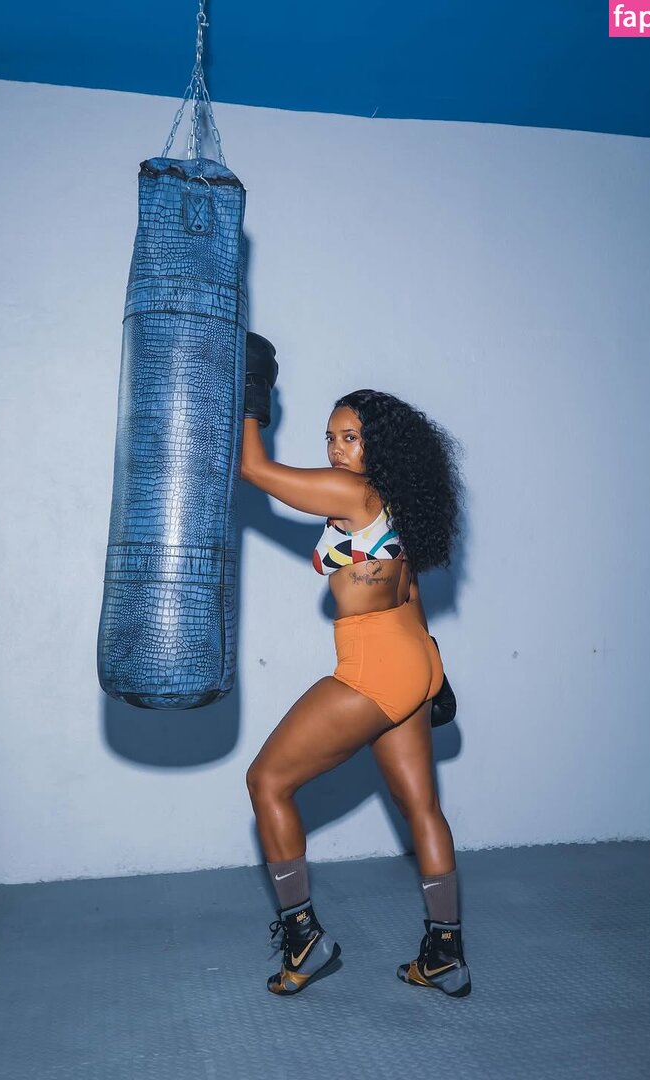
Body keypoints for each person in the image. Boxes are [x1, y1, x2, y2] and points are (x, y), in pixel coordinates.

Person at [240, 332, 470, 998]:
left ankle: (304, 939)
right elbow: (410, 591)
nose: (336, 449)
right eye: (331, 438)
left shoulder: (354, 495)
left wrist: (251, 388)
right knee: (422, 807)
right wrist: (433, 673)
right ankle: (446, 954)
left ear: (378, 448)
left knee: (267, 781)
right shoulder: (390, 505)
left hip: (374, 666)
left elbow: (253, 469)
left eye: (351, 437)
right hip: (413, 659)